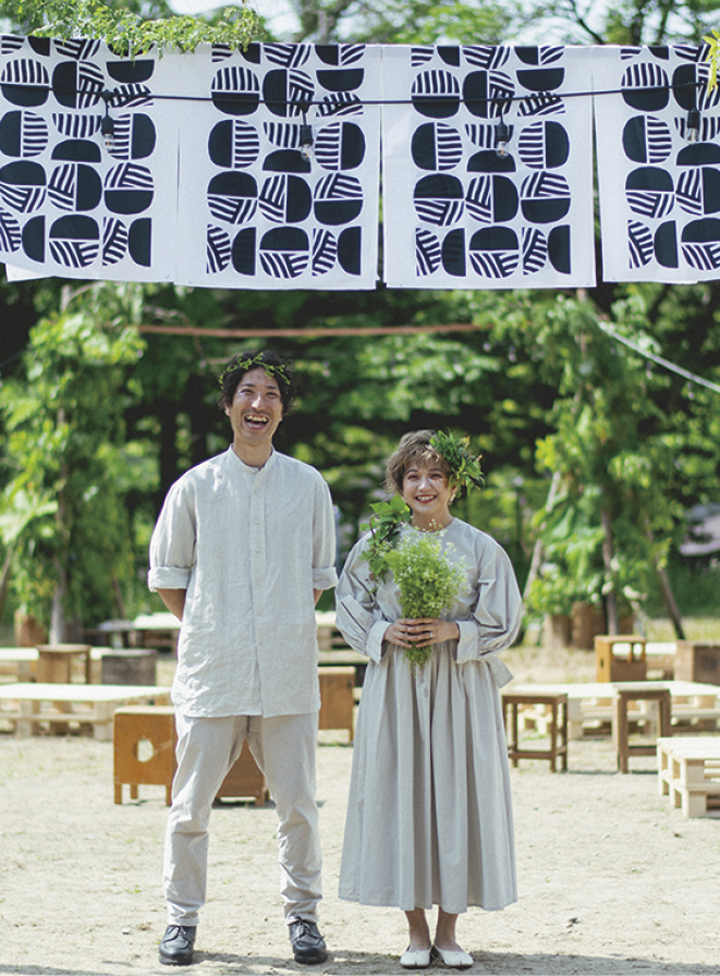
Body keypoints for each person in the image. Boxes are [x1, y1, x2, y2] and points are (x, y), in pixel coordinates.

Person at [148, 350, 337, 967]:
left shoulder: (308, 485)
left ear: (284, 410)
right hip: (213, 674)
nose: (260, 404)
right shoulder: (195, 487)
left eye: (272, 394)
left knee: (299, 806)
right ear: (228, 406)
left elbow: (314, 578)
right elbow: (169, 577)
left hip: (285, 673)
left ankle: (304, 918)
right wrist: (214, 625)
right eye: (248, 393)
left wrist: (272, 625)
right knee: (189, 806)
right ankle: (181, 920)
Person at [335, 430, 522, 970]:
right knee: (404, 793)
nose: (423, 485)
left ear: (453, 485)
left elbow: (504, 620)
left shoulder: (480, 547)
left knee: (457, 794)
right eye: (412, 475)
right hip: (397, 685)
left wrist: (453, 632)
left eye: (435, 475)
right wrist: (382, 634)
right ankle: (415, 931)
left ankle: (450, 930)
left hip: (462, 688)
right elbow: (350, 603)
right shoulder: (378, 543)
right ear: (399, 484)